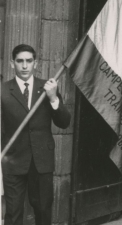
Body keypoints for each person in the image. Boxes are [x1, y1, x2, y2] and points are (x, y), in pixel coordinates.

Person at [1, 44, 71, 225]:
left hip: (41, 160)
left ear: (36, 63)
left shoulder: (48, 88)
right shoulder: (2, 91)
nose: (24, 66)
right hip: (13, 160)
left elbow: (64, 123)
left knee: (43, 210)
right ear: (12, 63)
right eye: (20, 61)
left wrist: (54, 98)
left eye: (29, 61)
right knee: (13, 213)